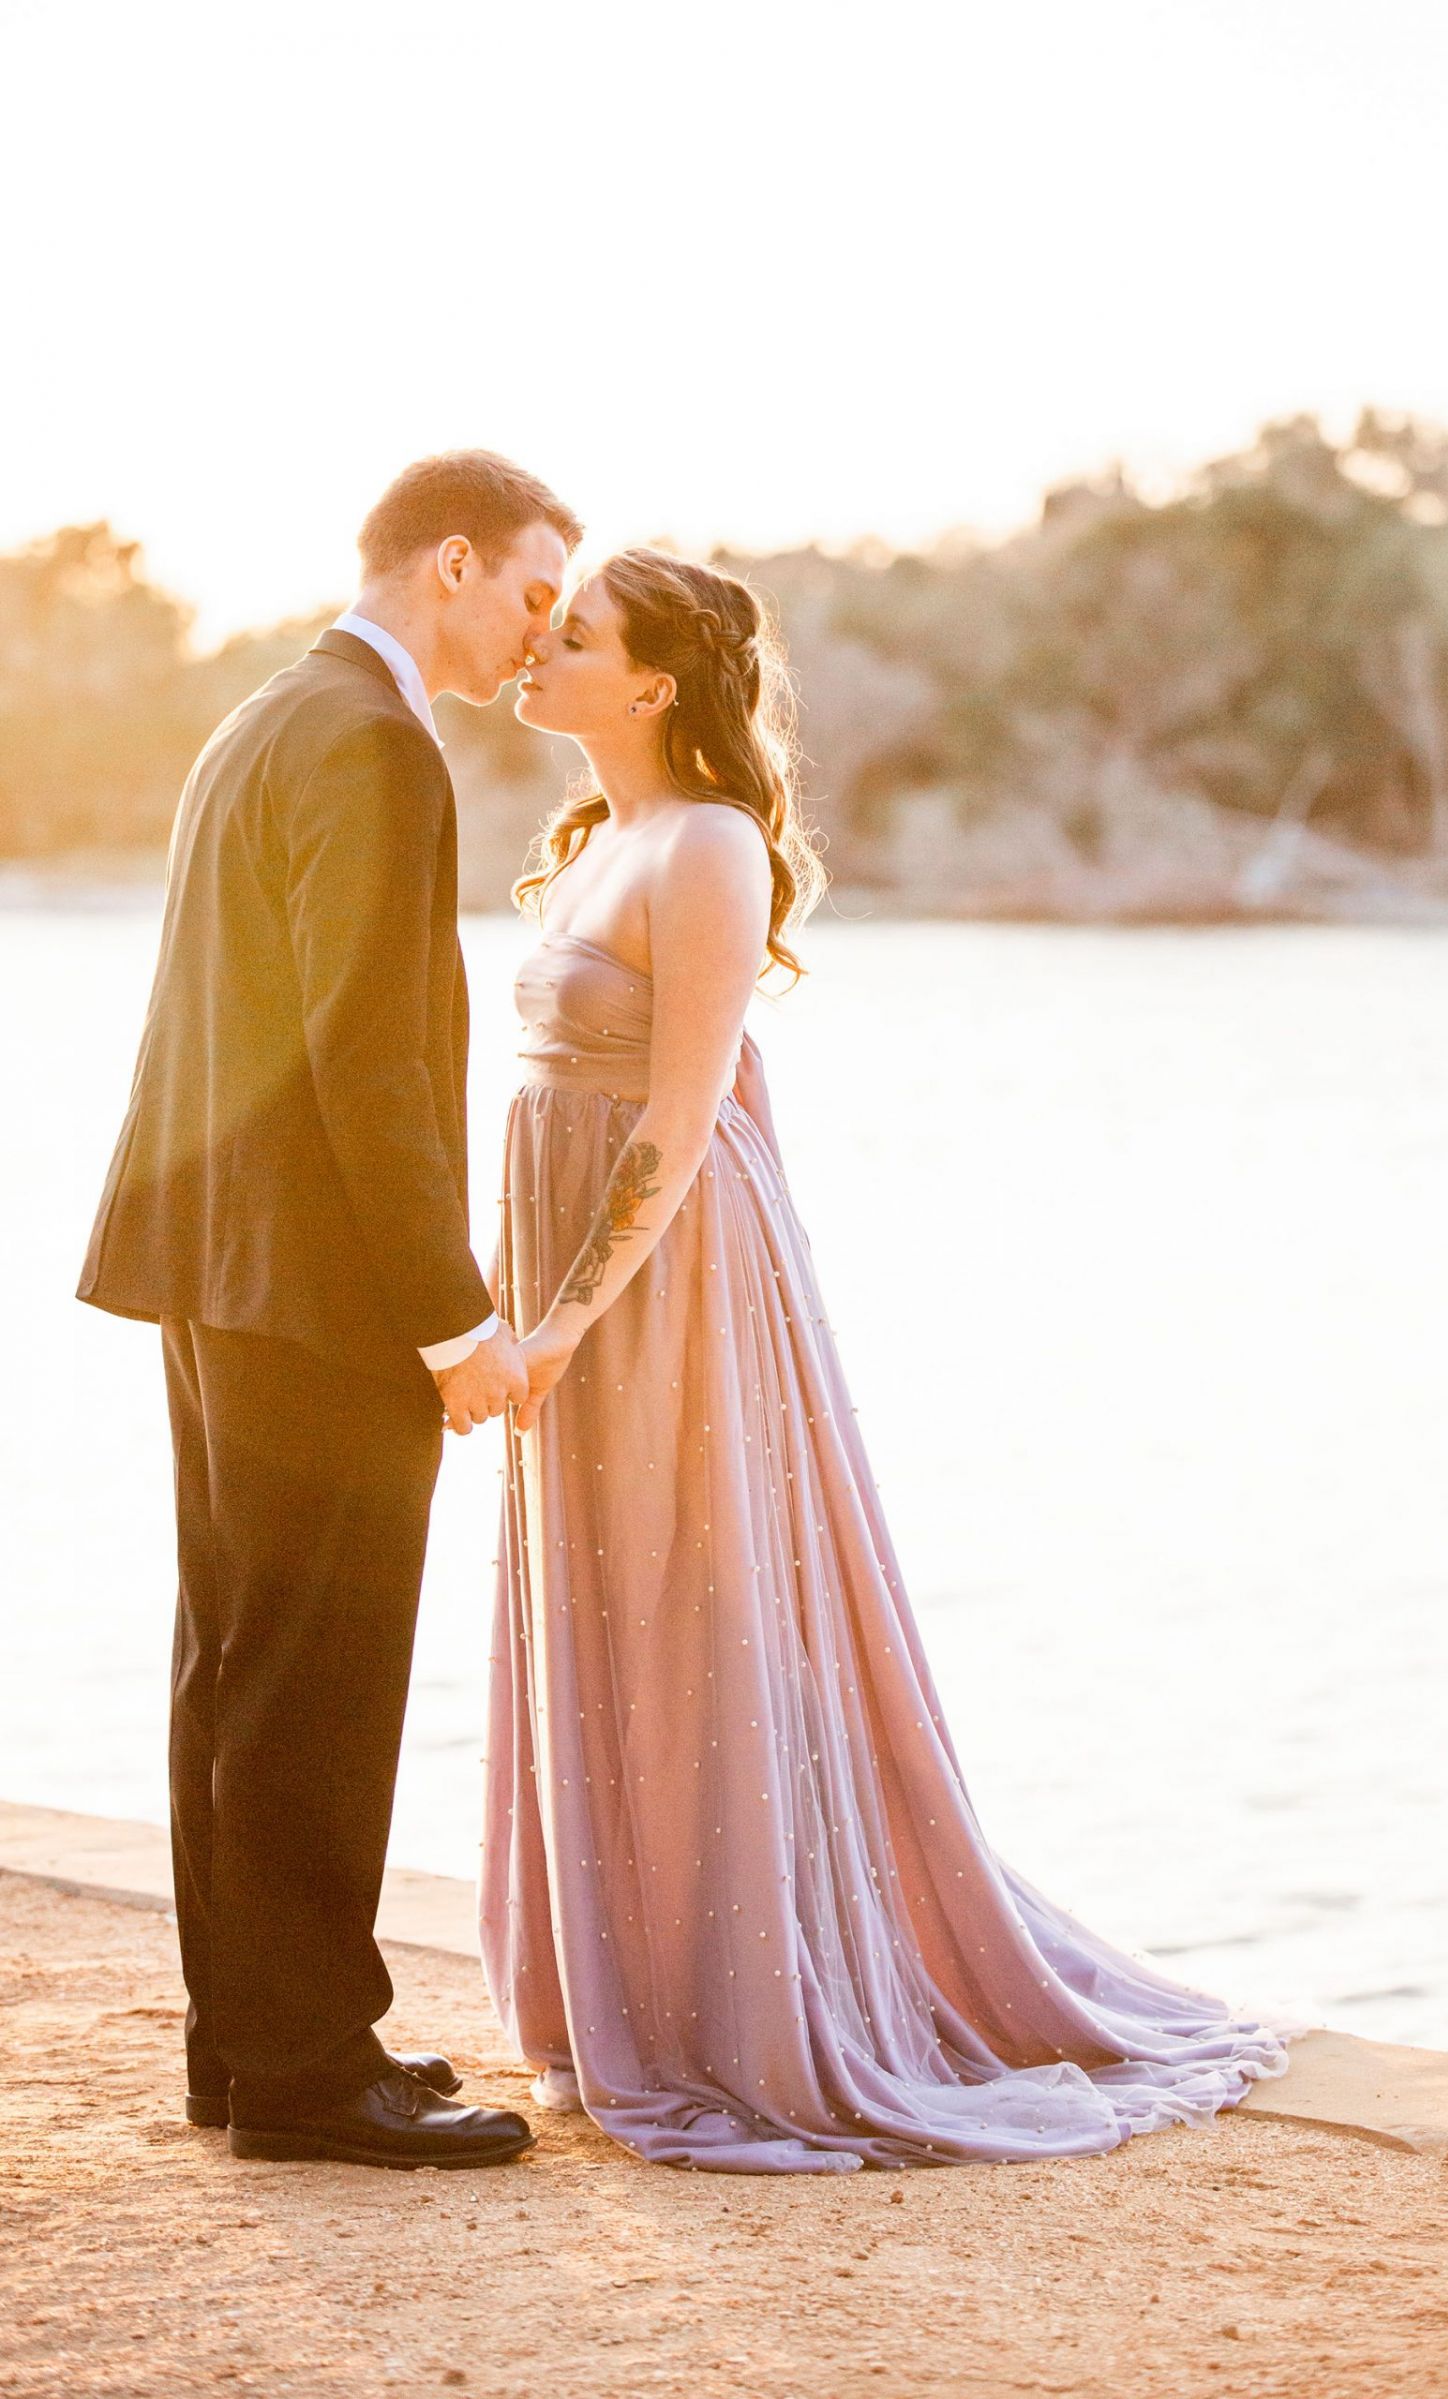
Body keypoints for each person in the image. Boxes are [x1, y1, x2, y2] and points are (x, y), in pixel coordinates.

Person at [480, 549, 1297, 2171]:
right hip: (570, 1260)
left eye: (570, 636)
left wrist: (566, 1316)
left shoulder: (704, 847)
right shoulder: (596, 843)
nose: (534, 651)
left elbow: (683, 1108)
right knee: (608, 1600)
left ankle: (752, 2007)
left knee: (701, 1604)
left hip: (666, 1281)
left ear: (649, 683)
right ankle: (633, 1988)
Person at [78, 451, 582, 2171]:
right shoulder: (372, 740)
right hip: (316, 1288)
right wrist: (456, 1326)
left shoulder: (266, 712)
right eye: (530, 593)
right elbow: (367, 1063)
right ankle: (309, 2074)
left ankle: (257, 2048)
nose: (539, 634)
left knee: (235, 1662)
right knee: (319, 1679)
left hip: (215, 1272)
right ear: (451, 563)